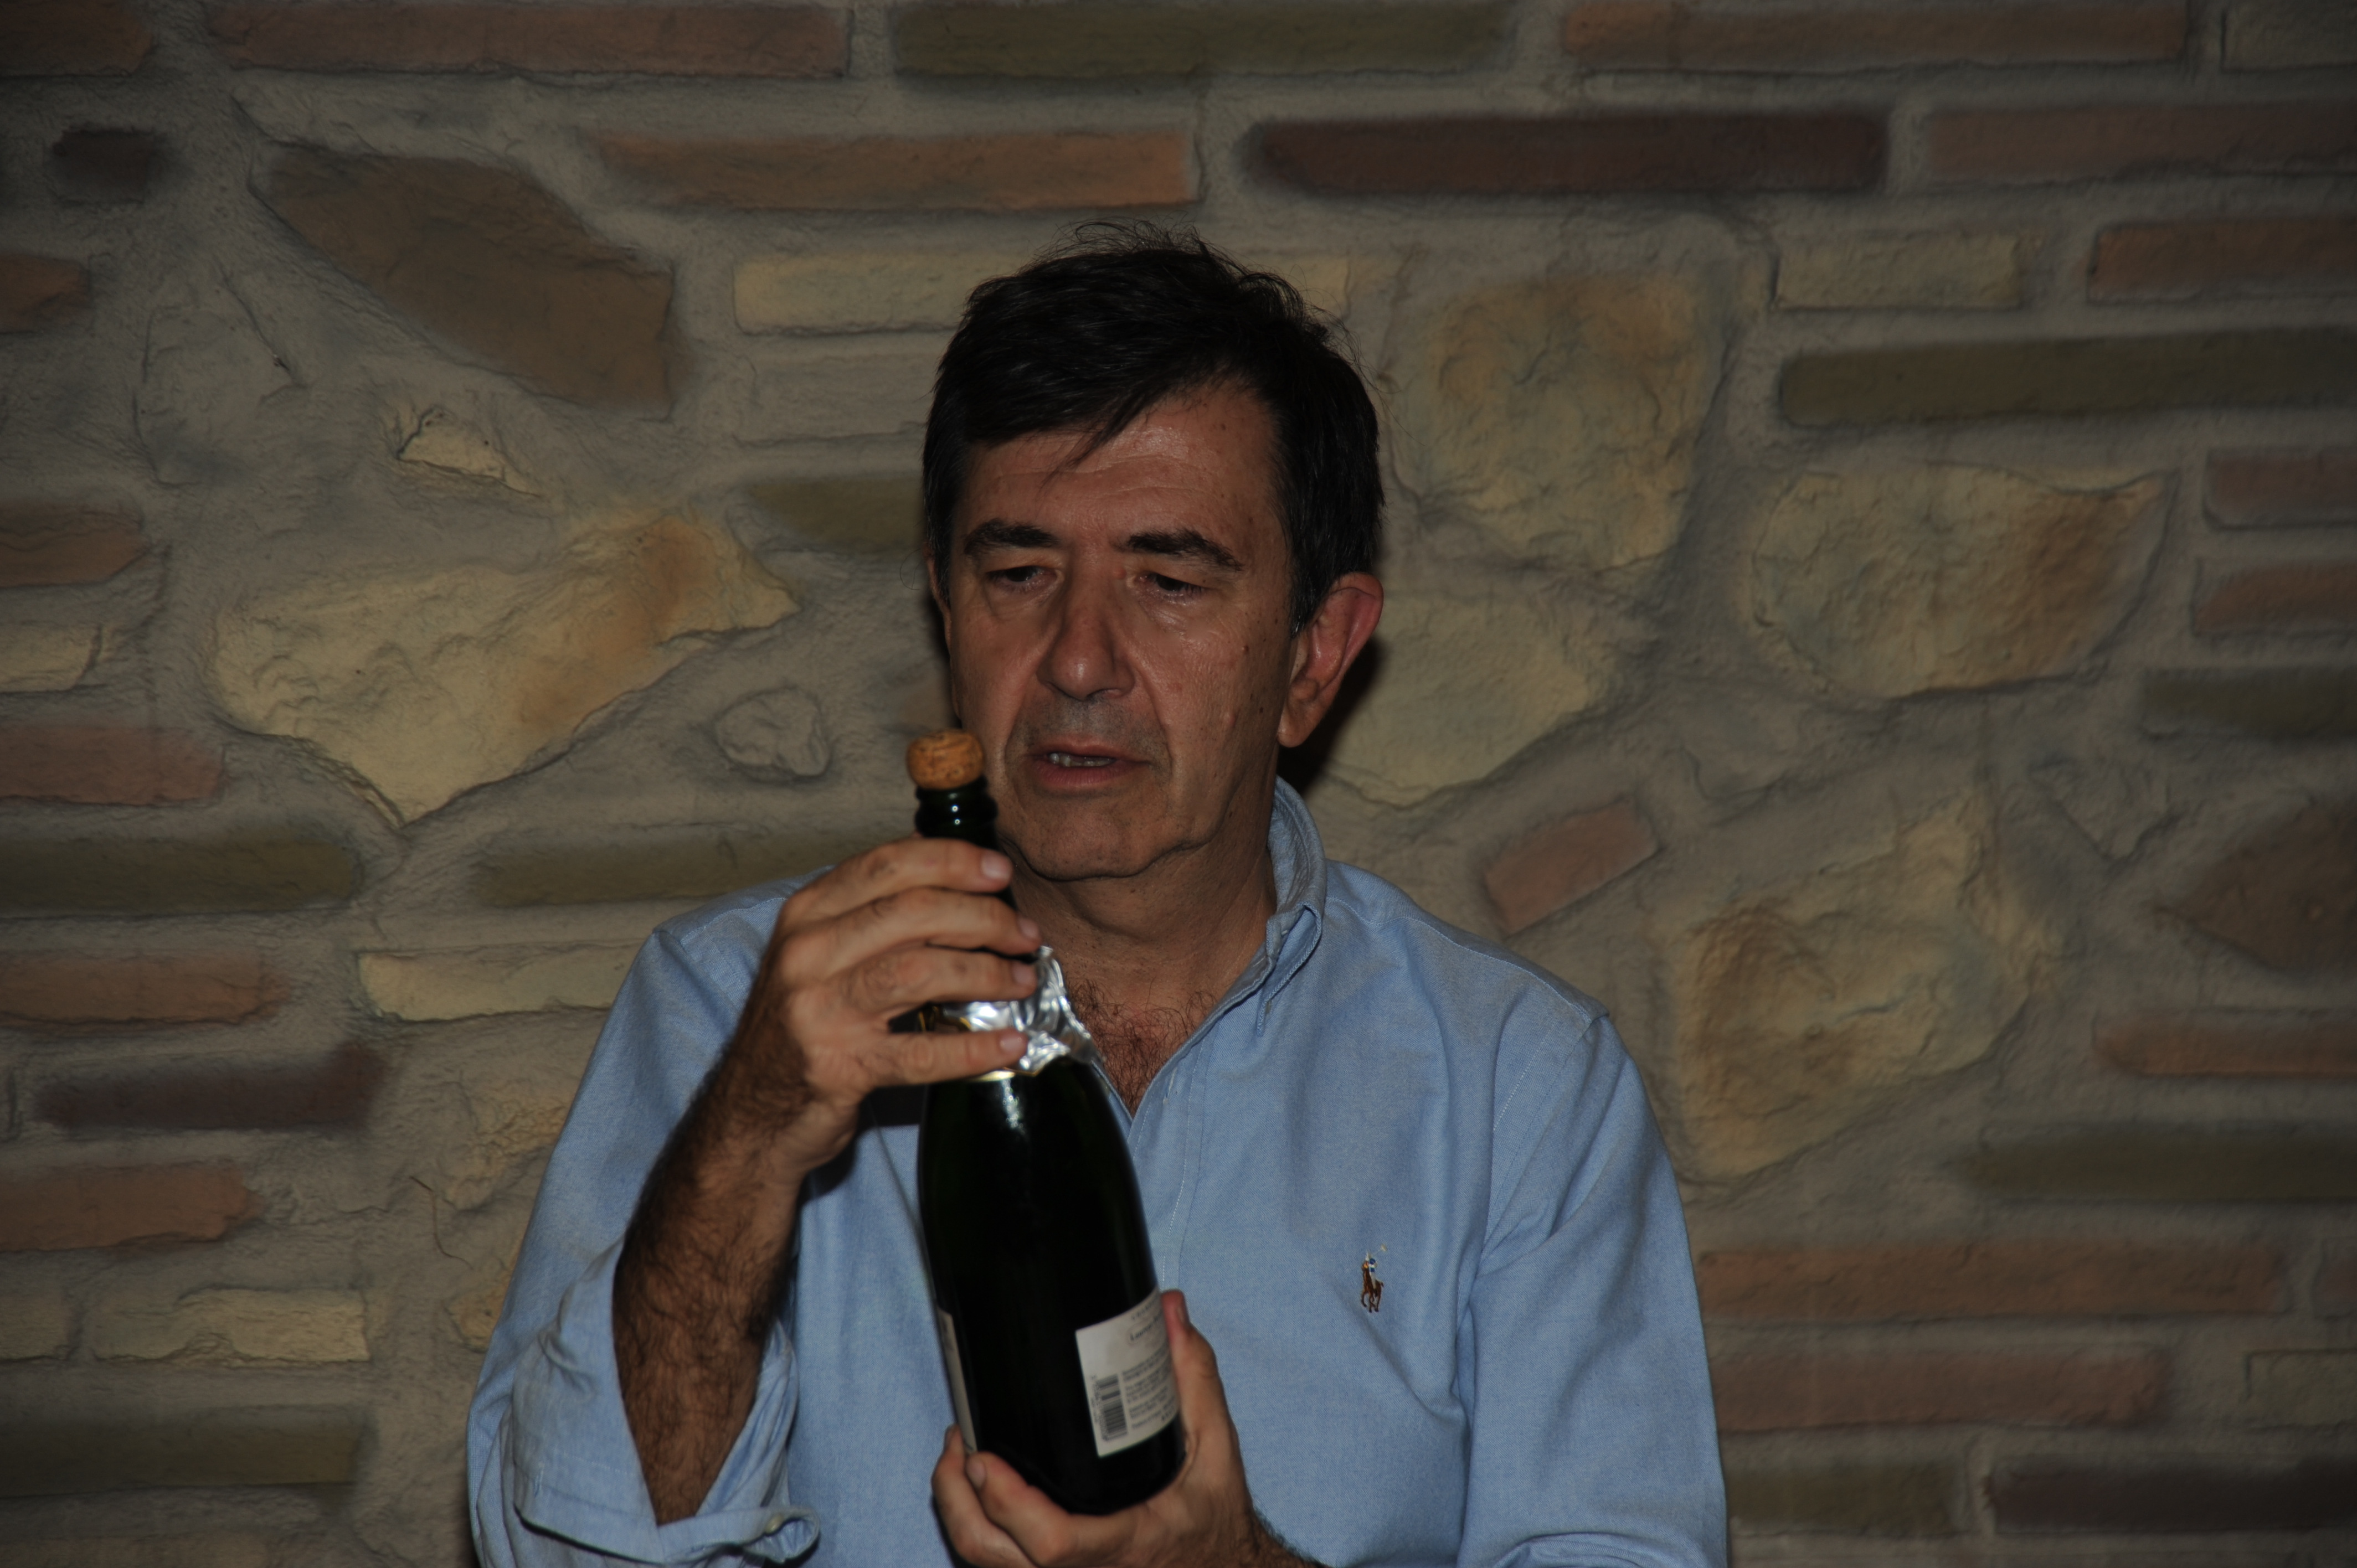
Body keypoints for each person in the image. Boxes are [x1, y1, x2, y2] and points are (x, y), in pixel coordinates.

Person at [469, 225, 1727, 1568]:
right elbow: (559, 1555)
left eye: (1167, 581)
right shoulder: (735, 1010)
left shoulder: (1520, 1090)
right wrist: (748, 1140)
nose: (1077, 660)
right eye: (1018, 575)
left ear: (1314, 656)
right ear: (947, 610)